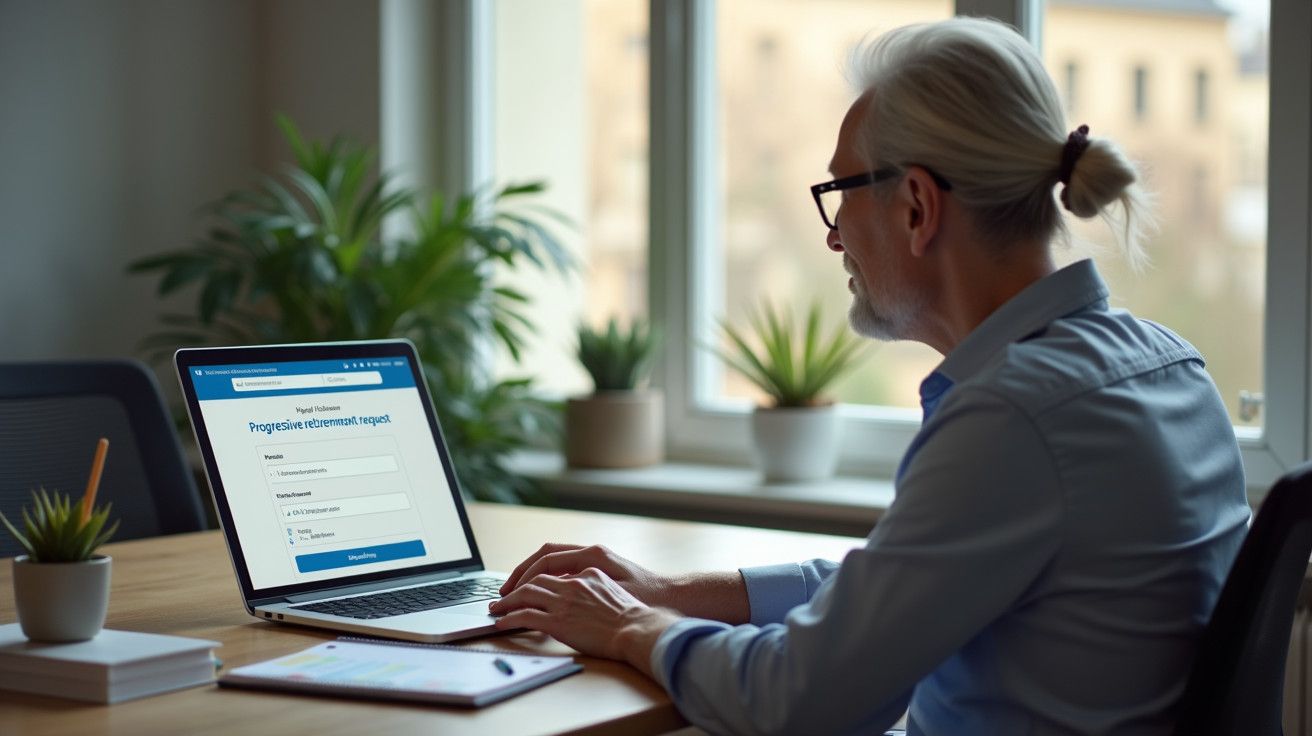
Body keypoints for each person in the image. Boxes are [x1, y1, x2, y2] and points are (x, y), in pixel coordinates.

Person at [489, 17, 1251, 735]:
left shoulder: (1014, 420)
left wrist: (629, 626)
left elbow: (801, 701)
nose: (832, 237)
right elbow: (903, 589)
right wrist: (676, 594)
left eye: (839, 194)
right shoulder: (1168, 366)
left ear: (917, 206)